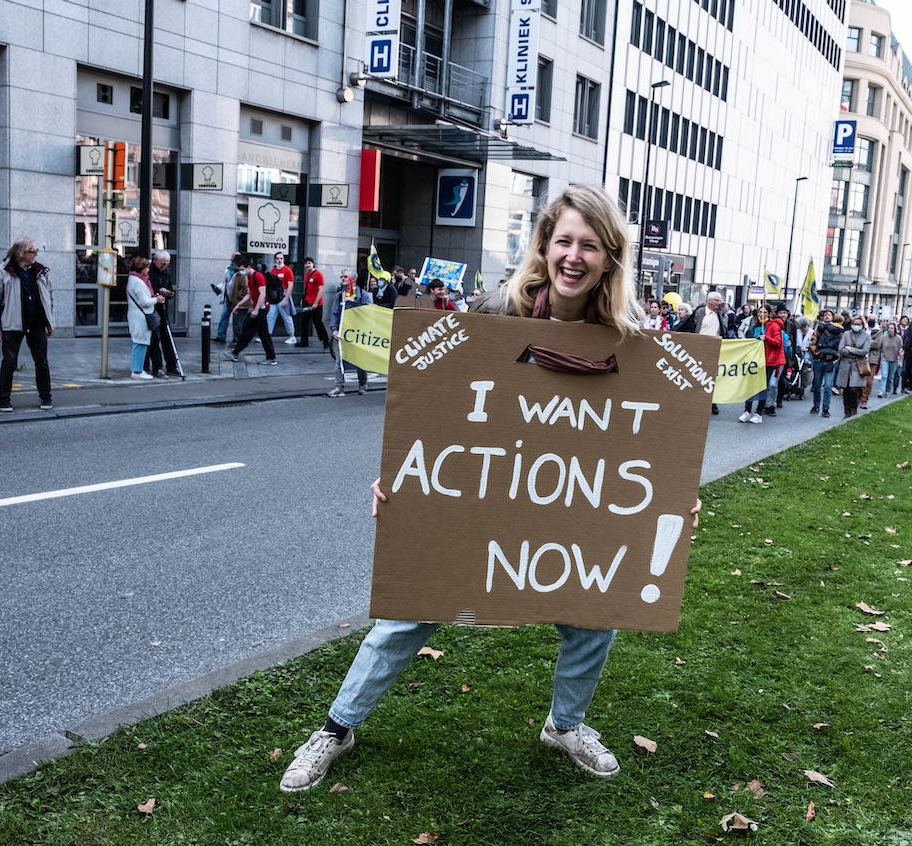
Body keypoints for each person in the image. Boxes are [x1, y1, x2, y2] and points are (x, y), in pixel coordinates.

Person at [279, 184, 699, 791]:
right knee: (409, 611)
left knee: (592, 616)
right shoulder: (495, 313)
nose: (573, 257)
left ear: (610, 257)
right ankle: (336, 728)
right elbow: (437, 406)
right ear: (544, 246)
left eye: (590, 245)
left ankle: (565, 725)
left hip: (571, 505)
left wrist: (672, 494)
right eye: (564, 242)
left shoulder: (628, 340)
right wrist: (403, 475)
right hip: (486, 496)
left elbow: (648, 441)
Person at [0, 238, 54, 412]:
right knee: (9, 362)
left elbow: (49, 297)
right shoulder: (3, 271)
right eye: (33, 251)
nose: (36, 255)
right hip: (13, 323)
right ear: (22, 253)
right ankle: (3, 400)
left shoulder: (40, 271)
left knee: (42, 362)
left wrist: (50, 321)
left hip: (37, 323)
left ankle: (46, 397)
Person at [223, 255, 278, 365]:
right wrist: (238, 305)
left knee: (248, 330)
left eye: (242, 269)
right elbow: (249, 294)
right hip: (259, 308)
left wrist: (256, 310)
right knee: (263, 334)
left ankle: (235, 353)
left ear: (248, 267)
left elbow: (262, 294)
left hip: (262, 308)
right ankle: (271, 357)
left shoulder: (258, 276)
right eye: (239, 270)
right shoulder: (249, 276)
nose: (241, 272)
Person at [327, 272, 373, 397]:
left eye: (345, 276)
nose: (342, 278)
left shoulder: (363, 295)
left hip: (358, 334)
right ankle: (339, 387)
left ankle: (362, 383)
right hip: (342, 333)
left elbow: (368, 313)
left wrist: (353, 303)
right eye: (341, 276)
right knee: (339, 361)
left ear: (353, 279)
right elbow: (335, 314)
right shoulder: (339, 296)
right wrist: (334, 329)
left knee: (359, 361)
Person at [125, 255, 165, 380]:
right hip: (141, 317)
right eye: (146, 267)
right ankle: (137, 371)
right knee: (141, 343)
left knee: (139, 343)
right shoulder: (138, 282)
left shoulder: (133, 279)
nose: (148, 269)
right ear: (141, 268)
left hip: (136, 315)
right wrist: (156, 299)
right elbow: (144, 302)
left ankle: (137, 369)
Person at [149, 250, 182, 376]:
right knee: (155, 338)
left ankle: (172, 366)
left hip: (163, 309)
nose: (164, 266)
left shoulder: (166, 272)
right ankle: (157, 367)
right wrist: (159, 291)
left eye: (166, 264)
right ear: (156, 260)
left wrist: (169, 293)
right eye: (162, 264)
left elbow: (169, 287)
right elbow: (149, 289)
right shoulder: (150, 272)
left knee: (167, 338)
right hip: (153, 309)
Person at [808, 309, 842, 418]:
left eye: (829, 315)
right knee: (817, 385)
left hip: (830, 362)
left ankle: (826, 408)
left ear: (833, 317)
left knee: (828, 386)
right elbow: (812, 341)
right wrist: (817, 353)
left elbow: (841, 347)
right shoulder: (818, 328)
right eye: (825, 315)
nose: (827, 316)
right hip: (819, 360)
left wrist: (834, 357)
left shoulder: (838, 331)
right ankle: (816, 405)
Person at [836, 314, 870, 418]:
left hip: (858, 365)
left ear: (862, 325)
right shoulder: (846, 334)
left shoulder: (866, 336)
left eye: (859, 324)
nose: (856, 326)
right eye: (855, 324)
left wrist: (850, 349)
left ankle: (853, 411)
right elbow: (841, 349)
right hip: (846, 364)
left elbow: (864, 351)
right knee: (845, 390)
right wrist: (853, 351)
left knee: (854, 390)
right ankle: (847, 412)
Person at [295, 257, 331, 348]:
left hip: (317, 304)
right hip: (307, 302)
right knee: (304, 323)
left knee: (318, 323)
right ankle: (304, 342)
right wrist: (303, 299)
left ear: (313, 264)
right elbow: (307, 288)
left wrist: (315, 303)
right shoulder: (307, 274)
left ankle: (326, 341)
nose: (307, 265)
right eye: (306, 263)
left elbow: (321, 290)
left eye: (309, 263)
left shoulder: (318, 274)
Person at [266, 251, 298, 343]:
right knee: (270, 316)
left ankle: (292, 336)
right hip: (274, 298)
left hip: (283, 296)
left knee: (286, 317)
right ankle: (267, 334)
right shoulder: (273, 270)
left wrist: (286, 298)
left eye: (281, 258)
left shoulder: (287, 270)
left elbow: (290, 285)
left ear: (283, 259)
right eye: (277, 258)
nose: (279, 260)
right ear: (275, 260)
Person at [214, 252, 243, 344]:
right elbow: (225, 283)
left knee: (236, 320)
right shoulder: (228, 270)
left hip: (237, 299)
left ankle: (237, 338)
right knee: (224, 316)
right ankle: (221, 336)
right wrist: (219, 288)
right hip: (228, 298)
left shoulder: (241, 271)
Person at [878, 321, 902, 398]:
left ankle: (888, 391)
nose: (890, 330)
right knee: (884, 375)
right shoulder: (883, 337)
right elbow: (879, 347)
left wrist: (899, 357)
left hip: (894, 359)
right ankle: (881, 391)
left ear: (895, 329)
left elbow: (901, 349)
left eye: (892, 328)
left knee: (890, 377)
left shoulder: (898, 338)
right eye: (889, 328)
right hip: (885, 358)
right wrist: (881, 355)